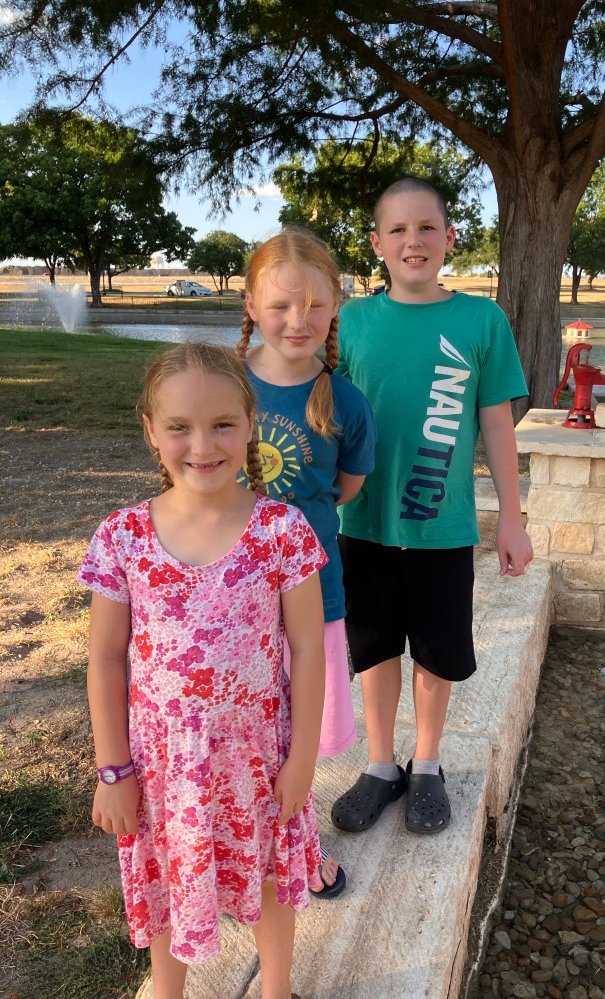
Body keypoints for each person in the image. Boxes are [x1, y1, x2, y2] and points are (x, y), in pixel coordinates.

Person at [78, 343, 326, 999]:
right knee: (169, 883)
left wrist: (302, 759)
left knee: (269, 878)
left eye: (222, 425)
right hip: (163, 769)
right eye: (180, 427)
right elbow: (104, 658)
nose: (203, 445)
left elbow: (308, 649)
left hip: (257, 757)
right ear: (151, 431)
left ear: (250, 424)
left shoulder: (283, 531)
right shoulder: (123, 537)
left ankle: (276, 990)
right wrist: (113, 769)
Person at [331, 177, 533, 836]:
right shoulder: (350, 322)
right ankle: (380, 765)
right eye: (397, 229)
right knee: (374, 648)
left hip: (441, 527)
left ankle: (426, 764)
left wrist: (511, 518)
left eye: (426, 228)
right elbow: (323, 417)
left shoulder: (481, 321)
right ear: (376, 244)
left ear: (449, 238)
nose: (412, 241)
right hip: (363, 522)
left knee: (435, 652)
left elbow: (497, 424)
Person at [236, 229, 376, 895]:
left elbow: (345, 489)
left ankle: (300, 839)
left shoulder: (346, 402)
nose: (299, 320)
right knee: (240, 726)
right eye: (280, 305)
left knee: (299, 730)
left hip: (312, 594)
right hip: (229, 597)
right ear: (250, 305)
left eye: (316, 306)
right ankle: (241, 840)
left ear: (335, 307)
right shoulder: (224, 386)